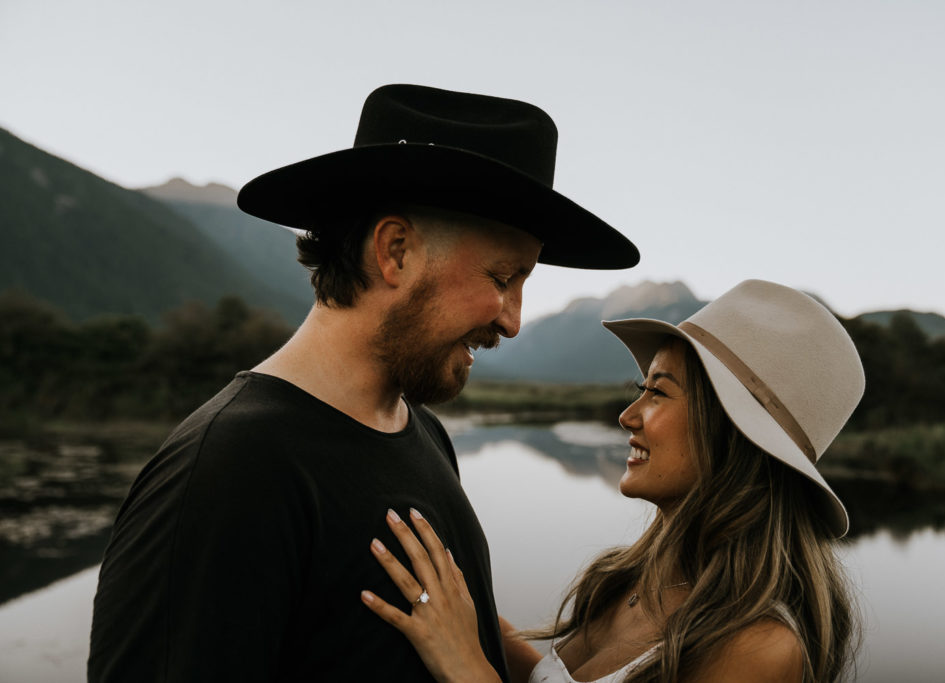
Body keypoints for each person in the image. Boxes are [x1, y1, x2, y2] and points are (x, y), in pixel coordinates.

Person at [87, 84, 638, 682]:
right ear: (395, 250)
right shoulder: (229, 470)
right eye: (503, 276)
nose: (513, 318)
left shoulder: (423, 432)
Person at [362, 279, 864, 683]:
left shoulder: (759, 648)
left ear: (729, 434)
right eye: (639, 390)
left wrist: (466, 669)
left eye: (659, 394)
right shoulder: (629, 577)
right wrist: (459, 611)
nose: (628, 416)